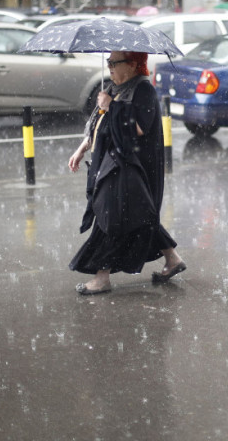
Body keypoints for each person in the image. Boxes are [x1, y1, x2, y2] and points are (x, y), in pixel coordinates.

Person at [67, 51, 186, 294]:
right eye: (108, 63)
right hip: (112, 164)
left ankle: (102, 278)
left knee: (111, 218)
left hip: (131, 168)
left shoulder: (143, 90)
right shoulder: (112, 88)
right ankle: (172, 259)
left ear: (132, 65)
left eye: (114, 63)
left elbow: (140, 128)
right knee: (140, 216)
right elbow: (99, 126)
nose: (109, 67)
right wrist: (81, 149)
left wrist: (112, 107)